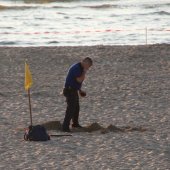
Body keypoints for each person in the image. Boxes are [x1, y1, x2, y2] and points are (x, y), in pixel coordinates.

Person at [62, 57, 93, 132]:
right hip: (69, 90)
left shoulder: (80, 68)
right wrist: (84, 72)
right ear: (85, 62)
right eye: (88, 66)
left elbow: (76, 82)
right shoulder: (76, 68)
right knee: (71, 109)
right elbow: (79, 80)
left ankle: (75, 124)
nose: (88, 68)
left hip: (74, 90)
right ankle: (65, 127)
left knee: (76, 108)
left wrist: (80, 90)